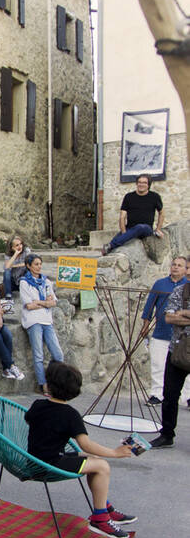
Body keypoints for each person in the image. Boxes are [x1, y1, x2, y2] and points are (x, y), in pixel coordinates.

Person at [25, 361, 136, 538]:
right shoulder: (70, 415)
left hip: (34, 461)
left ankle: (104, 507)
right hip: (50, 465)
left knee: (92, 459)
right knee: (102, 466)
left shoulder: (38, 405)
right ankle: (100, 518)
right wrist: (115, 453)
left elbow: (30, 420)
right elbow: (86, 444)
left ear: (49, 386)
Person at [140, 256, 189, 405]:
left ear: (185, 269)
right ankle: (157, 394)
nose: (176, 267)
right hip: (161, 332)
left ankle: (187, 396)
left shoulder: (186, 286)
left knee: (185, 364)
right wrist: (145, 325)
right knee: (158, 365)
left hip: (182, 336)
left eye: (180, 265)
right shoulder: (160, 284)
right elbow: (149, 306)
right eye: (174, 264)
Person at [150, 273, 190, 448]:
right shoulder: (180, 291)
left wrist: (185, 313)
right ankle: (167, 434)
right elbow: (168, 317)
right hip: (177, 351)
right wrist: (178, 316)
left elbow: (177, 316)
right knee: (170, 395)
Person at [19, 254, 64, 395]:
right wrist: (45, 302)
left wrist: (39, 302)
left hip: (47, 320)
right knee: (38, 355)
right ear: (28, 266)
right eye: (36, 264)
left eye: (40, 264)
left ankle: (51, 380)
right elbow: (29, 305)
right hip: (33, 321)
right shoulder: (24, 283)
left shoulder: (46, 282)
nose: (39, 267)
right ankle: (42, 384)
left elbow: (53, 302)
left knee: (58, 354)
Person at [101, 174, 164, 255]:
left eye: (144, 183)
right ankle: (109, 249)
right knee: (112, 246)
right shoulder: (129, 197)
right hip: (130, 228)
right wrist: (124, 232)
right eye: (139, 182)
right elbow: (122, 216)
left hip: (146, 228)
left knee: (140, 227)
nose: (141, 184)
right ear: (136, 183)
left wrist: (158, 229)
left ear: (148, 185)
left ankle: (111, 245)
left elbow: (161, 213)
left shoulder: (155, 197)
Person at [2, 235, 32, 311]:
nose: (20, 246)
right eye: (17, 245)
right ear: (11, 247)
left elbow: (29, 263)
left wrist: (14, 265)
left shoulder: (26, 251)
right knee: (6, 272)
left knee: (28, 270)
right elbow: (7, 267)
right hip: (13, 281)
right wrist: (16, 254)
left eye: (21, 244)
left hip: (23, 280)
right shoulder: (8, 254)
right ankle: (8, 296)